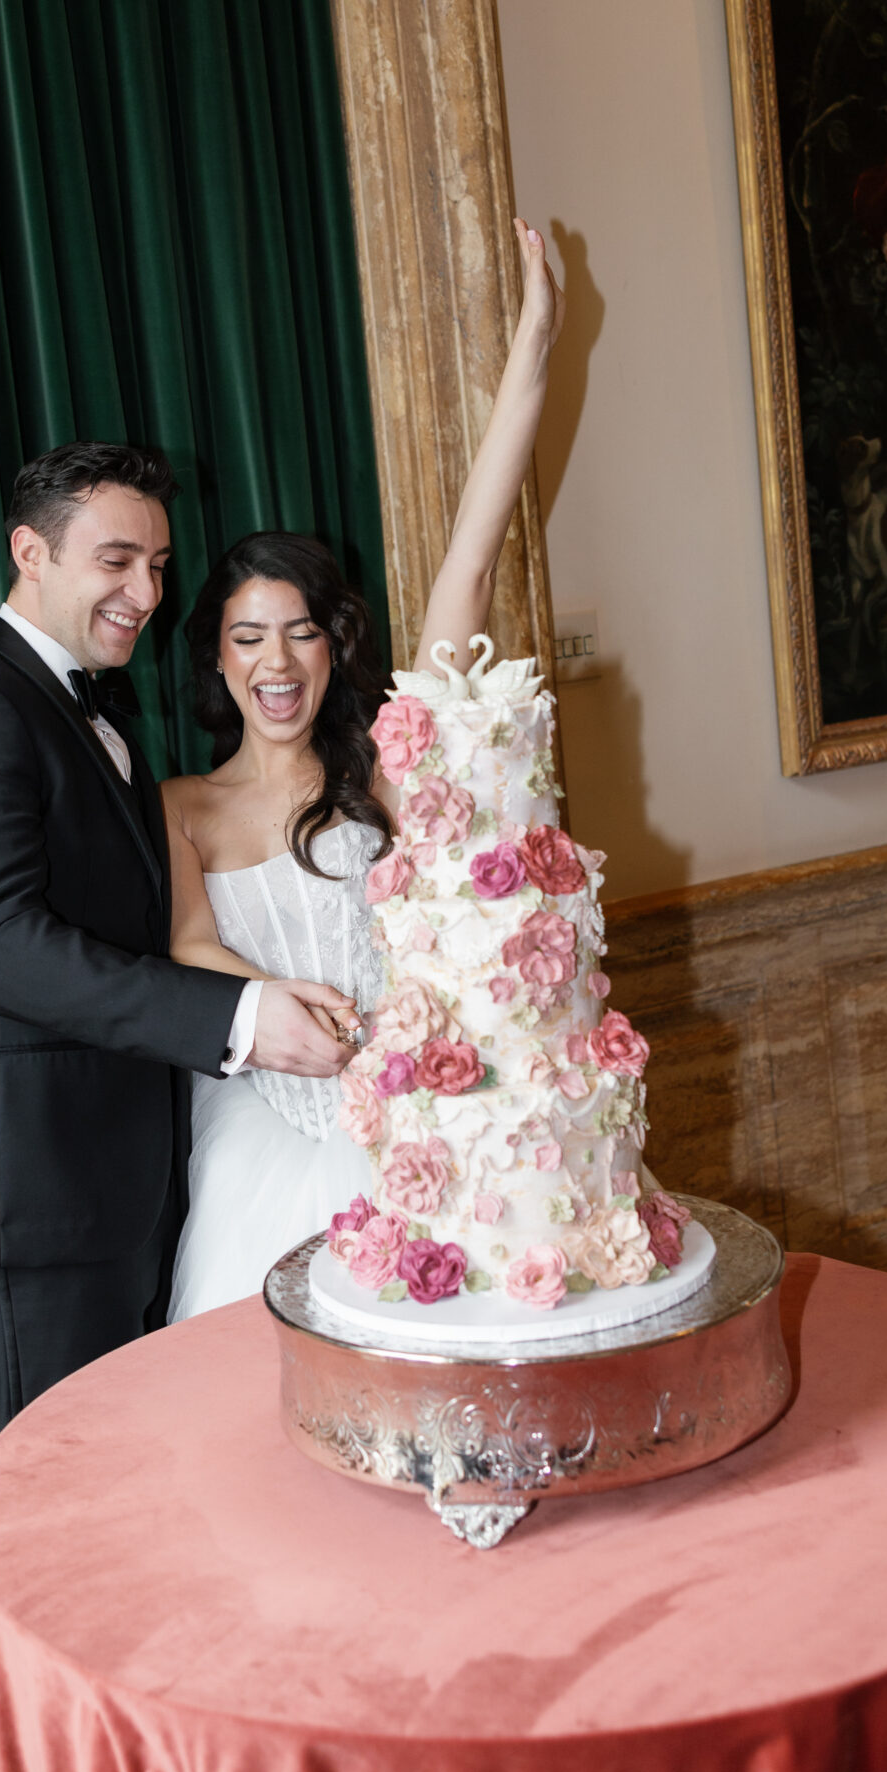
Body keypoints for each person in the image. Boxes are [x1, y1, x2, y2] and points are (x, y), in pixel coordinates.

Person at [0, 442, 354, 1433]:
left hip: (124, 1193)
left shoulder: (91, 714)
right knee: (77, 1521)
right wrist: (241, 1014)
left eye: (159, 564)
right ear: (30, 552)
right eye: (117, 560)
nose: (146, 590)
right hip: (33, 1204)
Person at [163, 220, 565, 1319]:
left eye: (299, 631)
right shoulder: (180, 808)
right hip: (263, 1155)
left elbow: (470, 566)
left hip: (424, 1134)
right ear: (217, 657)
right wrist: (273, 1005)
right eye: (248, 637)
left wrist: (535, 344)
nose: (277, 661)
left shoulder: (384, 774)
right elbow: (190, 944)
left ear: (332, 643)